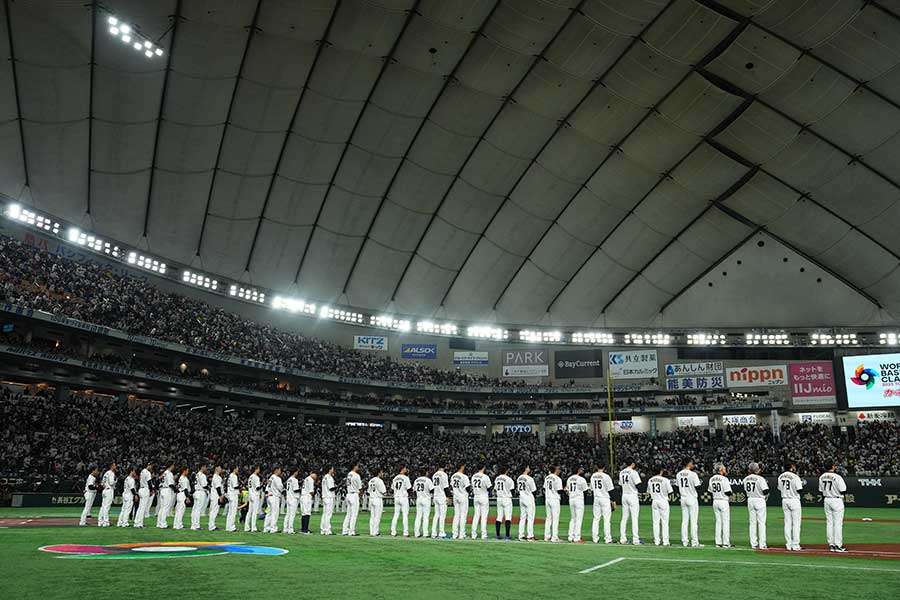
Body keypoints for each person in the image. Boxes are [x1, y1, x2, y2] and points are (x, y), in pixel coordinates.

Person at [819, 460, 848, 552]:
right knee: (838, 523)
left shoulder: (822, 477)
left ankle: (831, 544)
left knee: (829, 523)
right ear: (833, 466)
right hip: (836, 500)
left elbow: (820, 490)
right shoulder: (837, 477)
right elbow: (843, 490)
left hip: (827, 499)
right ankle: (838, 545)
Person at [675, 459, 702, 547]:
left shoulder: (678, 474)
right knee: (694, 521)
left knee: (684, 521)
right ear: (689, 464)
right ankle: (694, 542)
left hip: (683, 498)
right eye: (692, 463)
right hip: (691, 498)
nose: (693, 464)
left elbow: (677, 487)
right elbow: (698, 487)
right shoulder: (693, 474)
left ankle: (685, 541)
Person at [778, 460, 804, 551]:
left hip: (785, 500)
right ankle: (795, 545)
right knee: (796, 524)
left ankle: (788, 545)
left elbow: (780, 489)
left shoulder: (780, 476)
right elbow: (800, 490)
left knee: (787, 523)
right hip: (794, 500)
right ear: (791, 467)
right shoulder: (795, 476)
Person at [743, 462, 769, 549]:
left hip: (750, 500)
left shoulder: (746, 479)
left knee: (752, 523)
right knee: (761, 523)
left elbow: (745, 490)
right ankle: (762, 544)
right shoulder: (760, 478)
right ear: (757, 469)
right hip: (759, 500)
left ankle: (753, 543)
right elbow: (766, 491)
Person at [589, 464, 615, 544]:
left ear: (596, 467)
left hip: (596, 498)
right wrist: (613, 501)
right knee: (606, 519)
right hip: (605, 498)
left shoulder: (593, 476)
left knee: (596, 518)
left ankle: (595, 538)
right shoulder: (606, 476)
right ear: (604, 467)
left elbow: (592, 489)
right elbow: (611, 490)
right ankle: (608, 539)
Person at [709, 463, 733, 548]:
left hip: (715, 501)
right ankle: (726, 543)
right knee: (725, 522)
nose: (725, 470)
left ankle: (718, 542)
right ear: (720, 470)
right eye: (724, 469)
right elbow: (728, 492)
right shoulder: (724, 479)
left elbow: (710, 490)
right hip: (723, 501)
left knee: (718, 522)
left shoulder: (711, 479)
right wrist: (731, 494)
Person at [647, 466, 672, 546]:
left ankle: (656, 541)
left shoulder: (650, 480)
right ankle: (665, 542)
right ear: (661, 471)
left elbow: (648, 492)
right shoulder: (665, 480)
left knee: (655, 522)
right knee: (664, 522)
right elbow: (670, 491)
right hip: (663, 501)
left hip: (654, 501)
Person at [619, 458, 642, 545]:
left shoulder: (621, 472)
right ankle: (635, 540)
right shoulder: (633, 472)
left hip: (624, 495)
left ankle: (622, 538)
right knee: (634, 518)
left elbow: (620, 485)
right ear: (632, 464)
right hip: (632, 495)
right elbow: (638, 485)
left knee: (624, 517)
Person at [566, 467, 588, 543]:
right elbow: (585, 491)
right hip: (578, 499)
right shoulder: (581, 479)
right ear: (578, 470)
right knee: (578, 519)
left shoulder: (569, 479)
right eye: (581, 469)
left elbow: (567, 489)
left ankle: (570, 536)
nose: (582, 470)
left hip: (571, 499)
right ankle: (577, 537)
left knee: (573, 518)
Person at [470, 466, 492, 540]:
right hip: (483, 496)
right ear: (483, 468)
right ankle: (483, 534)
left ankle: (473, 534)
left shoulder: (473, 476)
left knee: (476, 515)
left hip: (476, 496)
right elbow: (489, 488)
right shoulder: (485, 477)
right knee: (484, 516)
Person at [516, 465, 537, 541]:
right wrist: (535, 498)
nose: (529, 468)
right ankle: (530, 535)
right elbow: (534, 490)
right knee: (530, 518)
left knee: (522, 518)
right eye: (528, 467)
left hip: (521, 498)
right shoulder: (529, 478)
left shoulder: (519, 478)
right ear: (525, 469)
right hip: (528, 498)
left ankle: (521, 535)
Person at [494, 467, 515, 540]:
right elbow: (512, 490)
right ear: (506, 470)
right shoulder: (509, 479)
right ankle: (507, 535)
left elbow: (495, 489)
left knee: (499, 517)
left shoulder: (497, 478)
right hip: (506, 498)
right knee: (508, 517)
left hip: (499, 498)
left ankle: (497, 535)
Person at [391, 466, 412, 537]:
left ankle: (393, 532)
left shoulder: (394, 478)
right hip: (403, 497)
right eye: (405, 468)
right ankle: (405, 532)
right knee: (405, 515)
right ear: (402, 469)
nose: (406, 469)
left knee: (396, 514)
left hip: (396, 497)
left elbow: (392, 489)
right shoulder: (406, 478)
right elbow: (409, 489)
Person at [450, 464, 470, 540]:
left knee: (456, 515)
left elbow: (452, 486)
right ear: (461, 467)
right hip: (462, 496)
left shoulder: (453, 476)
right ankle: (462, 534)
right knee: (463, 516)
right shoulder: (464, 476)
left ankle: (454, 534)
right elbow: (468, 488)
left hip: (455, 496)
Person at [413, 468, 434, 538]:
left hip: (419, 499)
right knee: (425, 517)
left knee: (418, 516)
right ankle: (425, 533)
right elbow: (432, 490)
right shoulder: (428, 480)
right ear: (426, 473)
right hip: (426, 499)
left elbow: (414, 490)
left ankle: (416, 533)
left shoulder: (416, 480)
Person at [342, 464, 363, 536]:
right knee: (354, 514)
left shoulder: (349, 474)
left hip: (348, 494)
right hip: (354, 495)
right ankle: (351, 531)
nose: (358, 467)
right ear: (354, 467)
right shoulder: (356, 475)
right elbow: (360, 488)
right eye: (357, 466)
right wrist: (360, 495)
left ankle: (344, 530)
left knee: (348, 514)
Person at [544, 465, 563, 543]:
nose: (559, 470)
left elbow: (544, 488)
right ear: (555, 470)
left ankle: (546, 536)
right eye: (558, 469)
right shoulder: (557, 478)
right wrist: (564, 490)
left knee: (548, 518)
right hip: (554, 499)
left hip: (547, 499)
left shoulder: (547, 477)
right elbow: (559, 491)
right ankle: (554, 537)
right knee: (555, 519)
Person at [430, 465, 449, 539]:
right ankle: (441, 533)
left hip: (436, 496)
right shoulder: (444, 474)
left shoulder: (434, 474)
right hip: (441, 496)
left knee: (436, 515)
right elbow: (446, 487)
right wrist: (448, 496)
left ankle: (433, 533)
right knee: (442, 515)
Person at [264, 467, 284, 534]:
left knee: (269, 513)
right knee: (275, 513)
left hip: (269, 496)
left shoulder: (271, 477)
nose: (280, 472)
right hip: (275, 497)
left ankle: (266, 528)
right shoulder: (277, 478)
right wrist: (283, 490)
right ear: (276, 470)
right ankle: (273, 528)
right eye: (280, 470)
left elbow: (267, 488)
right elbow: (280, 487)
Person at [134, 463, 154, 528]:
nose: (151, 467)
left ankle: (136, 522)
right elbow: (149, 483)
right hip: (145, 490)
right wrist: (151, 490)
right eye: (151, 466)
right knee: (143, 508)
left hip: (141, 489)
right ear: (148, 465)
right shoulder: (148, 472)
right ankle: (140, 524)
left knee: (140, 507)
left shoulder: (142, 471)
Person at [157, 462, 176, 528]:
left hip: (162, 490)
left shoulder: (164, 473)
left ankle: (159, 523)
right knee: (165, 508)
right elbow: (171, 484)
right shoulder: (169, 473)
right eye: (173, 465)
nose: (174, 466)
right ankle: (163, 524)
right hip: (167, 490)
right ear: (171, 465)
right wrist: (176, 490)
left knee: (162, 507)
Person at [368, 469, 386, 536]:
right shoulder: (379, 480)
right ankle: (375, 532)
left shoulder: (370, 480)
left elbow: (368, 491)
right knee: (377, 516)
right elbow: (384, 491)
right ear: (378, 473)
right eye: (381, 472)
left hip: (371, 499)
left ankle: (371, 531)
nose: (382, 474)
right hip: (377, 499)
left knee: (372, 516)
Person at [98, 462, 116, 527]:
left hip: (104, 490)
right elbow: (111, 483)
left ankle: (100, 521)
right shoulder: (111, 473)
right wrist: (115, 481)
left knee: (103, 506)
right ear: (111, 466)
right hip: (109, 490)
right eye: (114, 465)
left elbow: (102, 483)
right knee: (107, 507)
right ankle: (106, 522)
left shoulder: (105, 473)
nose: (115, 466)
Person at [190, 464, 209, 530]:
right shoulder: (202, 475)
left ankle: (193, 525)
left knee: (194, 509)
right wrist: (209, 487)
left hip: (196, 492)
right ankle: (197, 526)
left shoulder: (196, 474)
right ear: (202, 467)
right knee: (198, 510)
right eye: (205, 466)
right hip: (200, 492)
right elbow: (204, 485)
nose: (206, 468)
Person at [245, 466, 262, 532]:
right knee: (254, 512)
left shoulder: (250, 477)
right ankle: (253, 528)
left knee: (249, 512)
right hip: (255, 495)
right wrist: (262, 485)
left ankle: (246, 527)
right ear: (256, 469)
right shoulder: (256, 477)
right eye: (258, 469)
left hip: (250, 495)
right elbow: (257, 488)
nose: (259, 470)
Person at [284, 468, 301, 534]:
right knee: (292, 514)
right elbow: (295, 490)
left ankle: (285, 528)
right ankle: (290, 529)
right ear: (294, 472)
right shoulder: (294, 480)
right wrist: (300, 489)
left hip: (288, 497)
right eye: (297, 472)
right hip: (293, 498)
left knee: (288, 514)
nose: (297, 473)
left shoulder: (289, 479)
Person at [320, 467, 337, 535]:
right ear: (329, 469)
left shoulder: (324, 477)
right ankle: (327, 530)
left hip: (325, 497)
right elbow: (331, 488)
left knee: (324, 514)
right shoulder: (329, 477)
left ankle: (323, 529)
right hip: (329, 497)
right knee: (328, 514)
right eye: (332, 469)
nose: (333, 470)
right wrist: (338, 486)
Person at [208, 466, 224, 531]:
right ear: (216, 468)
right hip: (216, 496)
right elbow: (218, 488)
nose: (221, 469)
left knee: (214, 511)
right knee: (214, 511)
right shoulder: (216, 477)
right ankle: (211, 526)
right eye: (220, 468)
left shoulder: (217, 477)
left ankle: (212, 525)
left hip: (215, 496)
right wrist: (220, 496)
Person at [225, 466, 241, 532]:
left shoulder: (230, 475)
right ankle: (232, 527)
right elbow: (235, 486)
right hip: (233, 495)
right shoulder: (234, 476)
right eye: (237, 468)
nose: (238, 470)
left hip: (230, 494)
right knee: (233, 512)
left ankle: (228, 527)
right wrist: (241, 486)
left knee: (230, 512)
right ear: (234, 469)